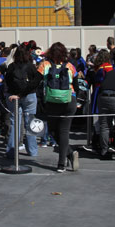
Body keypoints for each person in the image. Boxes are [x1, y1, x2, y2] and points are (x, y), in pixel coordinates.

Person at [37, 42, 79, 172]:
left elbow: (37, 82)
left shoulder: (44, 65)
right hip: (69, 100)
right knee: (64, 131)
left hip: (51, 101)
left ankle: (69, 155)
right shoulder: (70, 66)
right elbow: (76, 84)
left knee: (53, 131)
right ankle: (63, 161)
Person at [0, 45, 42, 159]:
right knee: (30, 123)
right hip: (30, 96)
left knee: (15, 123)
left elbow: (7, 81)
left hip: (13, 96)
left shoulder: (12, 66)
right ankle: (32, 150)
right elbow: (35, 81)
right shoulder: (31, 66)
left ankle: (12, 150)